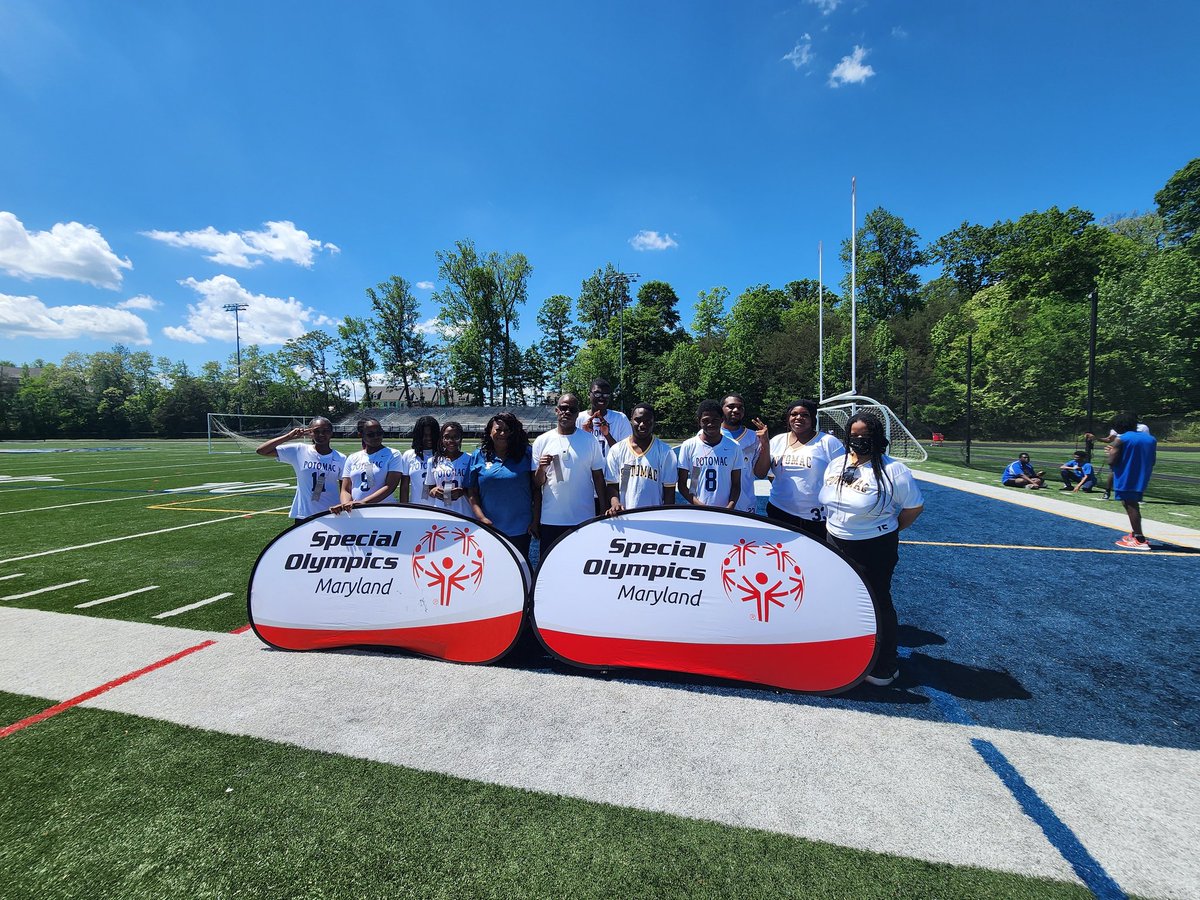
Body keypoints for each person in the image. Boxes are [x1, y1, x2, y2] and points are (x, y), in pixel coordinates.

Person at [820, 413, 924, 687]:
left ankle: (886, 664)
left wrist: (887, 530)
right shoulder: (836, 464)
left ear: (877, 438)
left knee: (877, 601)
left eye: (865, 435)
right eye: (854, 435)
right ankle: (852, 651)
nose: (859, 440)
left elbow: (913, 508)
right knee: (844, 600)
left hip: (873, 546)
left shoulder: (893, 470)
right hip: (835, 539)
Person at [753, 399, 845, 540]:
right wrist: (765, 443)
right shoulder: (777, 440)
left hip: (815, 516)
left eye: (804, 415)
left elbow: (842, 477)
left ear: (812, 418)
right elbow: (761, 473)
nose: (798, 418)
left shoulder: (828, 442)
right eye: (794, 414)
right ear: (788, 417)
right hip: (779, 511)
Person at [533, 393, 607, 551]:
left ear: (577, 413)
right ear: (556, 410)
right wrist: (541, 468)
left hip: (583, 517)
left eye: (572, 409)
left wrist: (603, 509)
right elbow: (537, 484)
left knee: (581, 566)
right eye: (563, 408)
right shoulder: (542, 441)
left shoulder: (589, 440)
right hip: (551, 518)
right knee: (549, 568)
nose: (567, 412)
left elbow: (598, 478)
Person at [468, 413, 536, 564]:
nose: (503, 434)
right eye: (498, 430)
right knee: (492, 569)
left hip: (521, 528)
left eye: (507, 430)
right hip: (490, 528)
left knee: (520, 571)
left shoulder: (526, 454)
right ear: (490, 431)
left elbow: (537, 489)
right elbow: (472, 492)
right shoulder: (478, 456)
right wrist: (481, 518)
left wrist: (535, 520)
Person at [255, 417, 346, 524]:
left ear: (331, 433)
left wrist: (343, 506)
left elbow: (344, 488)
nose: (321, 434)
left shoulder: (341, 458)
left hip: (332, 513)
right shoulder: (299, 450)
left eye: (325, 431)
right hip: (305, 514)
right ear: (310, 433)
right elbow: (262, 450)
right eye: (316, 431)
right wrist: (289, 436)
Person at [1087, 412, 1157, 550]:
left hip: (1126, 474)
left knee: (1130, 505)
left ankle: (1139, 538)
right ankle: (1135, 533)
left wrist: (1110, 453)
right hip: (1143, 474)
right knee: (1132, 503)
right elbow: (1153, 460)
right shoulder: (1150, 439)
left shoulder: (1122, 439)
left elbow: (1112, 461)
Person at [604, 402, 678, 513]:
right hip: (624, 516)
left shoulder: (665, 452)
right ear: (631, 420)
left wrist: (666, 517)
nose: (642, 424)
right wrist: (615, 504)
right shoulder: (616, 450)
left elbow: (669, 492)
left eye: (648, 421)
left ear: (654, 423)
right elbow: (612, 485)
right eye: (638, 420)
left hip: (654, 518)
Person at [577, 377, 632, 515]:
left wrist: (607, 434)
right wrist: (584, 435)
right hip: (585, 488)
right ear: (589, 394)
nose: (602, 398)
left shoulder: (620, 418)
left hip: (612, 487)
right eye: (597, 394)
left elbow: (626, 453)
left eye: (606, 395)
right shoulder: (578, 418)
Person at [676, 399, 742, 510]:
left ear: (722, 419)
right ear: (699, 421)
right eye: (706, 420)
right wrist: (699, 505)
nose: (711, 424)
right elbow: (682, 485)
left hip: (725, 511)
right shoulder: (689, 445)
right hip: (697, 510)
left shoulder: (734, 446)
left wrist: (729, 507)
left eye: (715, 420)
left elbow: (736, 484)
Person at [331, 419, 403, 513]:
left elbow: (390, 486)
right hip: (358, 512)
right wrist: (346, 505)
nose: (376, 437)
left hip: (384, 511)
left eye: (379, 433)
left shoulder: (393, 454)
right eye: (371, 434)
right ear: (361, 435)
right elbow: (346, 489)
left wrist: (364, 502)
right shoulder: (353, 457)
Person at [721, 394, 765, 514]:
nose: (736, 410)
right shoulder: (708, 435)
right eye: (730, 406)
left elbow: (761, 474)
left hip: (745, 503)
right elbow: (696, 472)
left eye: (740, 407)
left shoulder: (754, 437)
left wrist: (765, 443)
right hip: (714, 503)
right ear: (721, 409)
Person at [424, 422, 474, 518]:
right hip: (441, 513)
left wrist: (463, 491)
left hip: (465, 513)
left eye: (455, 437)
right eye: (446, 437)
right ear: (442, 439)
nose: (451, 440)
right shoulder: (433, 461)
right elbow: (428, 489)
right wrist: (434, 491)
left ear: (461, 439)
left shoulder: (470, 459)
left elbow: (476, 490)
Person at [399, 415, 440, 506]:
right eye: (424, 435)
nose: (429, 438)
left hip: (439, 509)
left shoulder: (444, 455)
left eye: (431, 435)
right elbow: (405, 487)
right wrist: (403, 508)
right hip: (417, 508)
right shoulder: (409, 455)